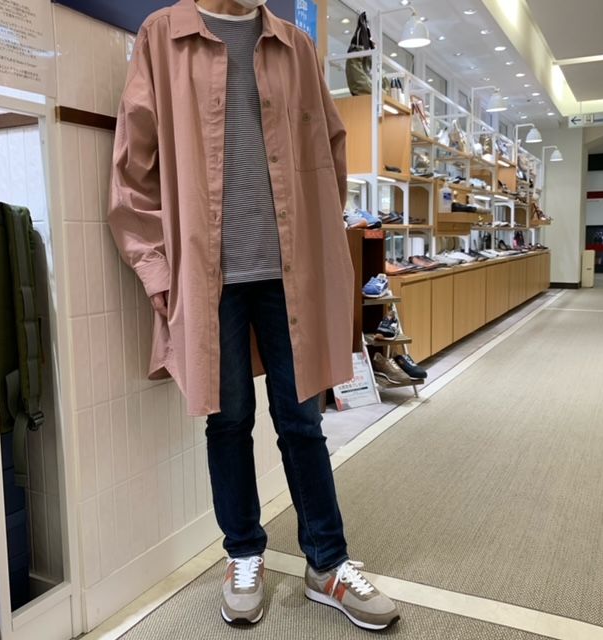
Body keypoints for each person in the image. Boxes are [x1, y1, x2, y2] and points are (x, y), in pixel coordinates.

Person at [108, 0, 399, 631]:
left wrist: (319, 245)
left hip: (290, 276)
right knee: (228, 421)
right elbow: (133, 172)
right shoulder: (163, 36)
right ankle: (243, 555)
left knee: (302, 423)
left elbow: (329, 152)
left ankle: (327, 563)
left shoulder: (294, 45)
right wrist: (159, 273)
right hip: (207, 279)